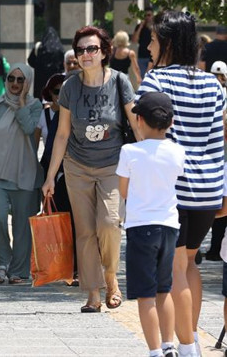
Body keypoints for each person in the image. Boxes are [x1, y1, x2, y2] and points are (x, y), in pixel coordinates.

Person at [137, 10, 226, 353]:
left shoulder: (156, 82)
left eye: (154, 39)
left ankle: (186, 346)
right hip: (207, 188)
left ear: (169, 43)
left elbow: (142, 130)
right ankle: (189, 341)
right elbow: (220, 136)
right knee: (188, 263)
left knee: (172, 268)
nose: (148, 44)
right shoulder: (211, 84)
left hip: (171, 188)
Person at [42, 26, 139, 313]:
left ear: (104, 52)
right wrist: (50, 176)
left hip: (112, 166)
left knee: (109, 224)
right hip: (77, 167)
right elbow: (61, 134)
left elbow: (135, 123)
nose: (85, 54)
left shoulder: (120, 82)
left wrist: (148, 162)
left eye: (92, 49)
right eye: (81, 49)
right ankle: (93, 294)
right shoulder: (71, 86)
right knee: (84, 231)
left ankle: (111, 279)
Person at [117, 92, 184, 357]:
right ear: (171, 122)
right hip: (169, 225)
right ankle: (169, 346)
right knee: (163, 289)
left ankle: (155, 351)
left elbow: (123, 191)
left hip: (141, 226)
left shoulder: (130, 151)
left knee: (145, 294)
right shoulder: (178, 151)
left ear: (140, 120)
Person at [0, 63, 43, 284]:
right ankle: (1, 264)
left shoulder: (35, 106)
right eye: (11, 78)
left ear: (28, 82)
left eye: (20, 80)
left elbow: (28, 128)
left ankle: (19, 271)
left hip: (26, 174)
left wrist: (21, 103)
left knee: (23, 226)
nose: (14, 83)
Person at [34, 73, 78, 286]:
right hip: (54, 174)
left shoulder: (77, 114)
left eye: (64, 91)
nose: (61, 96)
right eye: (56, 91)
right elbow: (35, 146)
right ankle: (62, 265)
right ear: (49, 93)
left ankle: (78, 268)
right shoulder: (44, 116)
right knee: (60, 222)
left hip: (74, 172)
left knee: (78, 223)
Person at [27, 26, 65, 99]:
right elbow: (63, 66)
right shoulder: (60, 48)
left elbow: (30, 61)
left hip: (40, 81)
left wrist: (39, 66)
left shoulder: (39, 47)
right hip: (55, 81)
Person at [132, 7, 154, 76]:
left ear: (152, 16)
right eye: (145, 15)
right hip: (142, 56)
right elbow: (134, 40)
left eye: (149, 15)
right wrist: (141, 26)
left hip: (153, 56)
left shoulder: (155, 26)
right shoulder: (139, 27)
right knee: (143, 78)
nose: (147, 17)